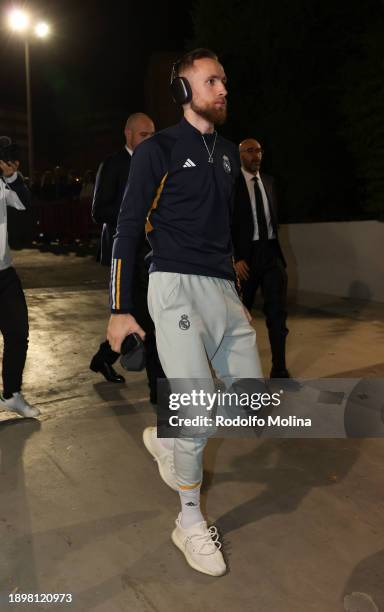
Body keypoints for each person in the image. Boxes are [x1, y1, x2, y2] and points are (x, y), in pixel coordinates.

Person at [106, 49, 263, 576]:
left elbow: (222, 228)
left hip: (219, 287)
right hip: (171, 285)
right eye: (212, 80)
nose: (223, 89)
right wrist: (119, 309)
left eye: (225, 79)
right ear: (182, 91)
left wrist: (232, 292)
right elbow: (128, 227)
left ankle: (166, 437)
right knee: (197, 409)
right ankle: (189, 522)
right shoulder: (161, 149)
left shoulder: (224, 153)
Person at [90, 113, 164, 404]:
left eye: (153, 134)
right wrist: (132, 217)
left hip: (153, 255)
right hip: (124, 259)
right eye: (145, 135)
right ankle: (159, 392)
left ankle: (102, 357)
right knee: (148, 323)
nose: (151, 140)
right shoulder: (112, 165)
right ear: (128, 134)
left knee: (145, 319)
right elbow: (98, 211)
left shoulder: (158, 164)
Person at [232, 138, 289, 378]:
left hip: (271, 254)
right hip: (245, 259)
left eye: (259, 151)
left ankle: (279, 369)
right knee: (239, 318)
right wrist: (234, 257)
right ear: (240, 155)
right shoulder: (232, 184)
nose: (256, 155)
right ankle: (242, 374)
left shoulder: (269, 182)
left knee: (277, 315)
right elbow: (225, 222)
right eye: (250, 151)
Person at [0, 138, 40, 418]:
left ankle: (11, 394)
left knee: (18, 332)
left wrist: (12, 176)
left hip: (4, 272)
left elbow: (25, 206)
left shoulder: (3, 182)